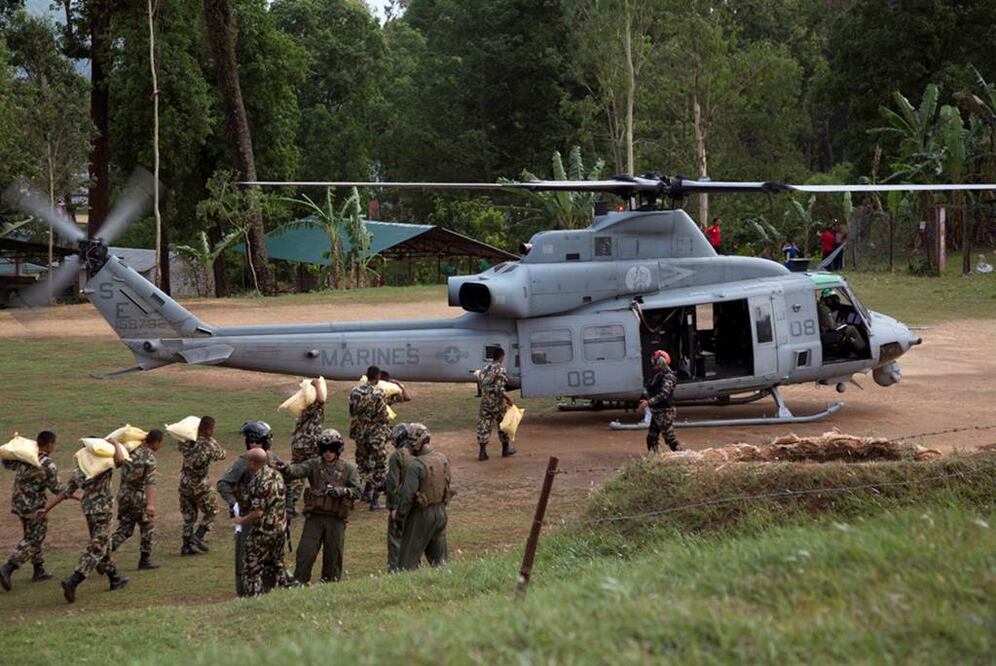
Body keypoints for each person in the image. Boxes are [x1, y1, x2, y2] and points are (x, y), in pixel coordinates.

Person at [38, 437, 128, 604]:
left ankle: (114, 578)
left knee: (102, 543)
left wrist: (47, 508)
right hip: (103, 511)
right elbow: (121, 460)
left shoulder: (79, 470)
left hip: (89, 511)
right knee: (97, 547)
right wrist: (115, 444)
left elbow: (65, 492)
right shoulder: (103, 465)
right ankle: (73, 581)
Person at [278, 429, 361, 584]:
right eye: (324, 449)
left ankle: (330, 585)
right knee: (305, 553)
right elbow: (298, 470)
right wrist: (286, 468)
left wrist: (341, 491)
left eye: (332, 449)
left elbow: (357, 491)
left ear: (338, 449)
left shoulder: (349, 469)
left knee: (333, 556)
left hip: (336, 519)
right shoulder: (314, 465)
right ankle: (299, 583)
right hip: (315, 517)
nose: (328, 453)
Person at [217, 421, 288, 597]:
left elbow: (289, 479)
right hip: (250, 518)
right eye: (250, 441)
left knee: (272, 561)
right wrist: (235, 504)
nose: (253, 444)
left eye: (257, 441)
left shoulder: (272, 459)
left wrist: (288, 507)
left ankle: (269, 592)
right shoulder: (245, 461)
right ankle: (245, 594)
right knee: (245, 560)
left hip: (270, 520)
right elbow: (223, 484)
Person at [0, 431, 64, 591]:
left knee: (31, 534)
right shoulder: (48, 464)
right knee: (34, 538)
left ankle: (38, 569)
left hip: (19, 504)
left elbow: (7, 463)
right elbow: (56, 489)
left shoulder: (26, 457)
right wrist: (75, 494)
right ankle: (8, 568)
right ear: (49, 444)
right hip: (35, 507)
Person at [395, 424, 453, 571]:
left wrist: (399, 518)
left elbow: (407, 497)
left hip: (421, 515)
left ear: (416, 443)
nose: (407, 447)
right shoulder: (443, 459)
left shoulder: (416, 466)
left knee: (406, 564)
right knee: (440, 562)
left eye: (409, 443)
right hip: (441, 512)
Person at [232, 447, 288, 597]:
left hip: (263, 532)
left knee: (252, 568)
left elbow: (258, 512)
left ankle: (254, 598)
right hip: (279, 529)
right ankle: (280, 594)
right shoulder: (276, 475)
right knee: (276, 565)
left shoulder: (258, 481)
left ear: (252, 462)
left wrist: (241, 520)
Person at [110, 429, 163, 571]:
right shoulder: (149, 458)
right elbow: (150, 482)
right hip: (138, 498)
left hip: (123, 496)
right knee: (147, 527)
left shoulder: (130, 451)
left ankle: (103, 553)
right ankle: (145, 560)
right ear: (156, 442)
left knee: (124, 530)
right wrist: (150, 504)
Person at [178, 416, 226, 556]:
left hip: (184, 482)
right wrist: (211, 440)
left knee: (189, 516)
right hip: (199, 484)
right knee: (213, 510)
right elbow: (222, 454)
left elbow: (180, 446)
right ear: (209, 429)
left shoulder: (188, 441)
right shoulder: (209, 445)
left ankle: (186, 546)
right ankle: (198, 536)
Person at [349, 365, 391, 511]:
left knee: (363, 465)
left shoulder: (355, 391)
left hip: (360, 433)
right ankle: (375, 501)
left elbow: (352, 411)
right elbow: (383, 415)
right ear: (378, 377)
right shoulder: (378, 393)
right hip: (375, 435)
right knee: (380, 465)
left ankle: (360, 494)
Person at [288, 378, 327, 518]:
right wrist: (317, 384)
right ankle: (317, 503)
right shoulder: (312, 407)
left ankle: (290, 505)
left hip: (298, 444)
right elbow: (321, 400)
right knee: (315, 472)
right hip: (310, 444)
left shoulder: (302, 409)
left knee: (297, 474)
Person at [385, 423, 418, 572]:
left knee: (395, 543)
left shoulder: (397, 456)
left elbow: (393, 483)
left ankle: (395, 572)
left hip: (400, 505)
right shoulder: (418, 453)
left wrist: (392, 507)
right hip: (415, 504)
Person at [639, 350, 682, 453]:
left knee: (670, 439)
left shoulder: (669, 377)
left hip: (665, 413)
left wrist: (648, 402)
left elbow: (663, 395)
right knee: (651, 438)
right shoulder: (659, 376)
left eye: (655, 361)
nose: (653, 364)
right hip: (657, 412)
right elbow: (651, 389)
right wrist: (644, 398)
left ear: (660, 362)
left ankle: (682, 456)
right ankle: (655, 458)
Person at [475, 349, 515, 461]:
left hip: (485, 402)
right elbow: (499, 389)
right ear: (502, 356)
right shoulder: (500, 369)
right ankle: (505, 450)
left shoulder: (485, 368)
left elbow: (480, 381)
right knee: (503, 425)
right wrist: (508, 399)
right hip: (497, 403)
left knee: (484, 426)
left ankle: (482, 452)